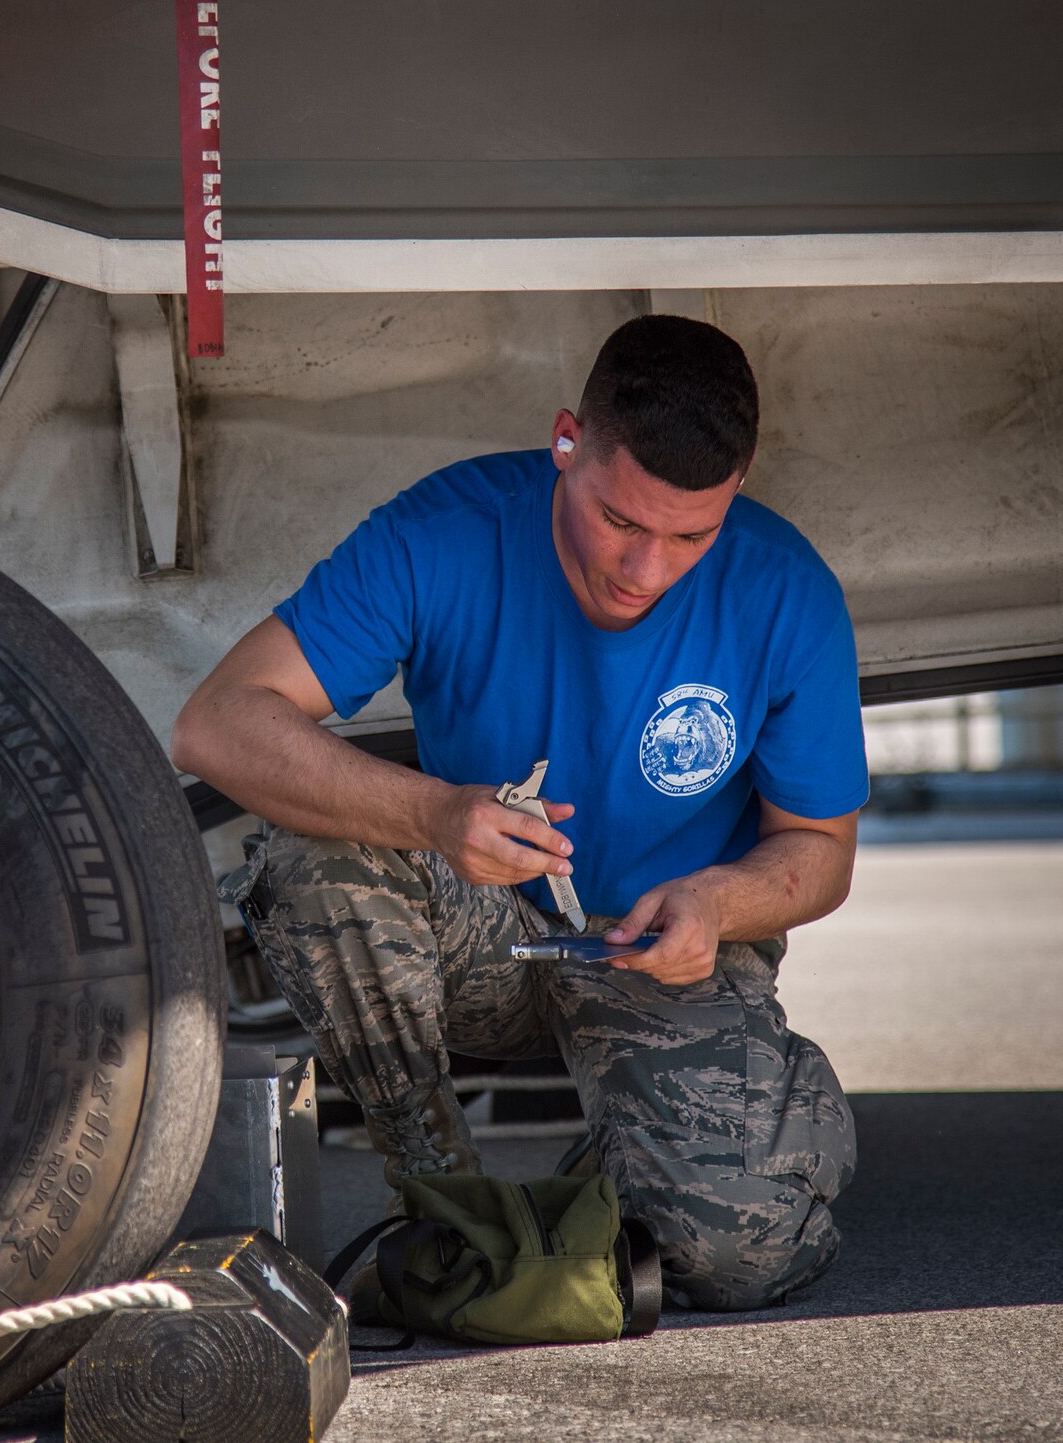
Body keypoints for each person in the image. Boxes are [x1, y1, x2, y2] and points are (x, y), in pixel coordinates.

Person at [171, 314, 864, 1311]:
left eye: (688, 536)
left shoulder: (785, 590)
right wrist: (435, 812)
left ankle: (667, 1138)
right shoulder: (444, 532)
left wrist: (711, 903)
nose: (645, 570)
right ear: (564, 443)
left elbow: (821, 850)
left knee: (736, 1257)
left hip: (659, 954)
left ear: (737, 487)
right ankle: (443, 1191)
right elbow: (216, 723)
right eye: (620, 521)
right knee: (313, 856)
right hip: (483, 933)